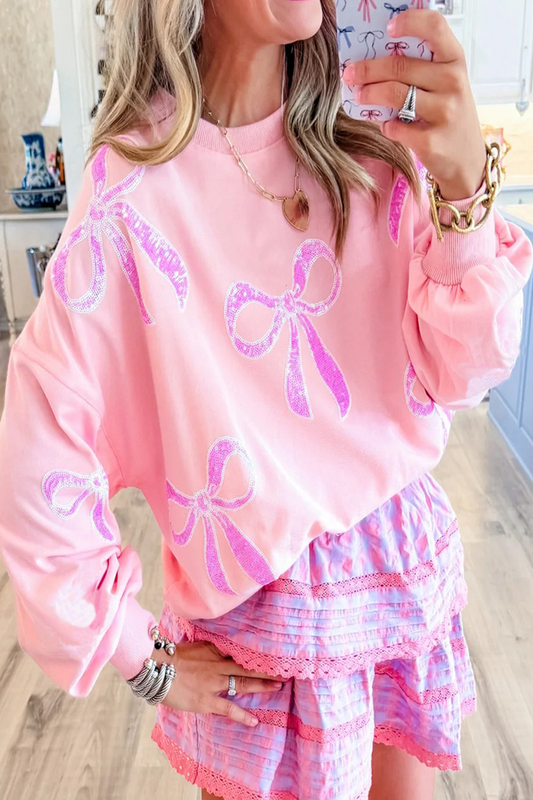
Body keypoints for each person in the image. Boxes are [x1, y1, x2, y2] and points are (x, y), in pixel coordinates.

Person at [0, 1, 531, 798]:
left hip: (403, 577)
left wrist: (461, 191)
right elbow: (38, 453)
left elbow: (465, 371)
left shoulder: (374, 133)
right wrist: (140, 657)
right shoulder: (129, 196)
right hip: (264, 635)